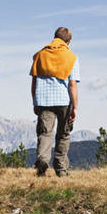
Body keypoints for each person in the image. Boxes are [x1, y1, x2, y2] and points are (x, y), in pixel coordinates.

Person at [30, 27, 80, 177]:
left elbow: (34, 81)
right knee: (63, 134)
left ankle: (42, 160)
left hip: (43, 100)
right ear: (68, 42)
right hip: (64, 100)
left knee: (45, 133)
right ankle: (61, 168)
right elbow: (72, 85)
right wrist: (75, 107)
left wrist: (34, 101)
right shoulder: (71, 57)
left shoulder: (39, 55)